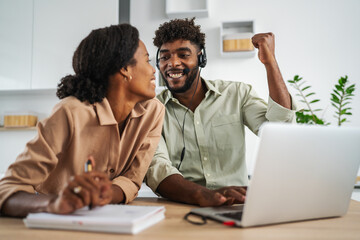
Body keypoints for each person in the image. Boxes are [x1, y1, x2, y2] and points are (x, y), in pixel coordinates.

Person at [0, 24, 165, 217]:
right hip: (48, 215)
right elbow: (9, 189)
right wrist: (57, 203)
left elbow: (132, 179)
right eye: (147, 60)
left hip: (101, 216)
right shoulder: (70, 112)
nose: (154, 70)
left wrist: (103, 194)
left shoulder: (153, 111)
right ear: (125, 69)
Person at [145, 18, 297, 207]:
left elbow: (280, 129)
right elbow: (157, 168)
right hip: (181, 207)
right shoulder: (151, 111)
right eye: (165, 57)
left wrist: (270, 63)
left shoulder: (237, 94)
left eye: (183, 55)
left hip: (237, 203)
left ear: (201, 58)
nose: (173, 63)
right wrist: (205, 195)